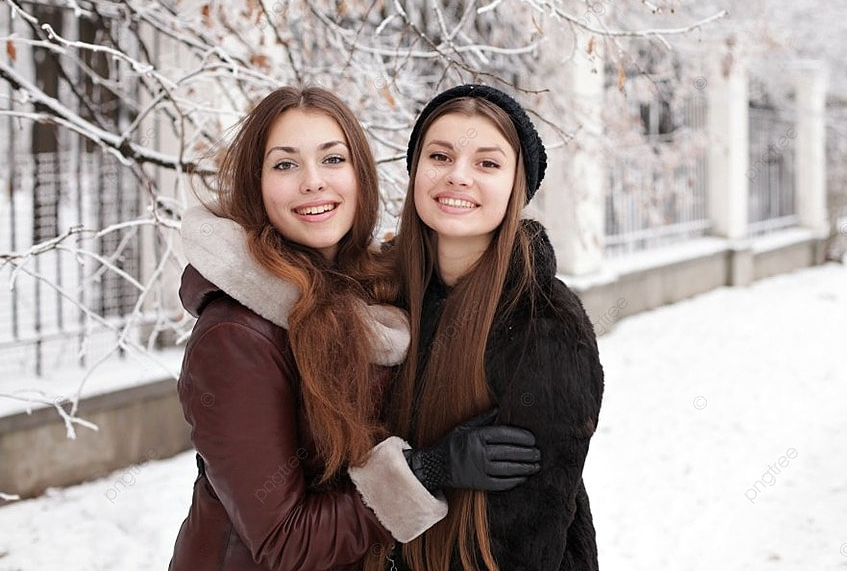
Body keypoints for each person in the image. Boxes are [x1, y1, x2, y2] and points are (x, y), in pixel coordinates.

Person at [169, 86, 541, 571]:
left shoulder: (371, 293)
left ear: (359, 174)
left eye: (332, 159)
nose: (312, 183)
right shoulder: (239, 336)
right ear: (255, 185)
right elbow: (285, 542)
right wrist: (428, 470)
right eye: (285, 165)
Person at [387, 84, 605, 571]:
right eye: (440, 156)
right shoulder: (378, 300)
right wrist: (430, 469)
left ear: (515, 186)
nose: (458, 177)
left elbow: (526, 543)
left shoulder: (546, 327)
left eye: (487, 163)